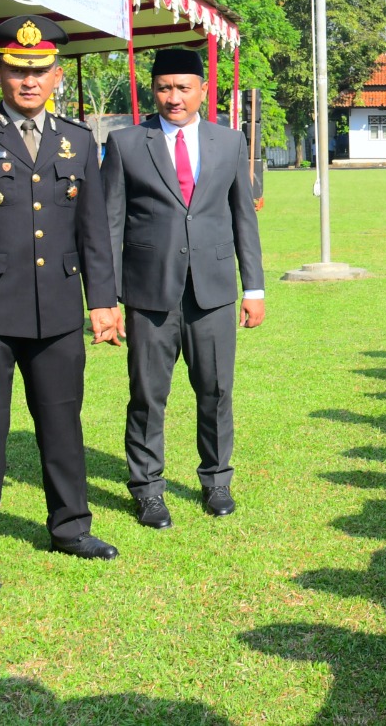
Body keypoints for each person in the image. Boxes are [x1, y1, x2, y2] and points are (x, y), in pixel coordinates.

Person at [0, 15, 123, 594]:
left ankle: (70, 526)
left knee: (63, 423)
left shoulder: (77, 140)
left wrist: (102, 302)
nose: (28, 81)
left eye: (38, 71)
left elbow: (92, 233)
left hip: (56, 307)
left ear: (57, 74)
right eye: (16, 70)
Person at [101, 49, 266, 529]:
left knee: (216, 390)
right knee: (148, 395)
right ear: (153, 89)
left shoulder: (229, 142)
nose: (174, 97)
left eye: (183, 87)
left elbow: (243, 218)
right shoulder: (128, 143)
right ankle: (148, 489)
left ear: (203, 90)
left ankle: (217, 479)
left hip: (212, 291)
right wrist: (107, 297)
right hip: (148, 292)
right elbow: (112, 222)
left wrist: (253, 287)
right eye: (164, 87)